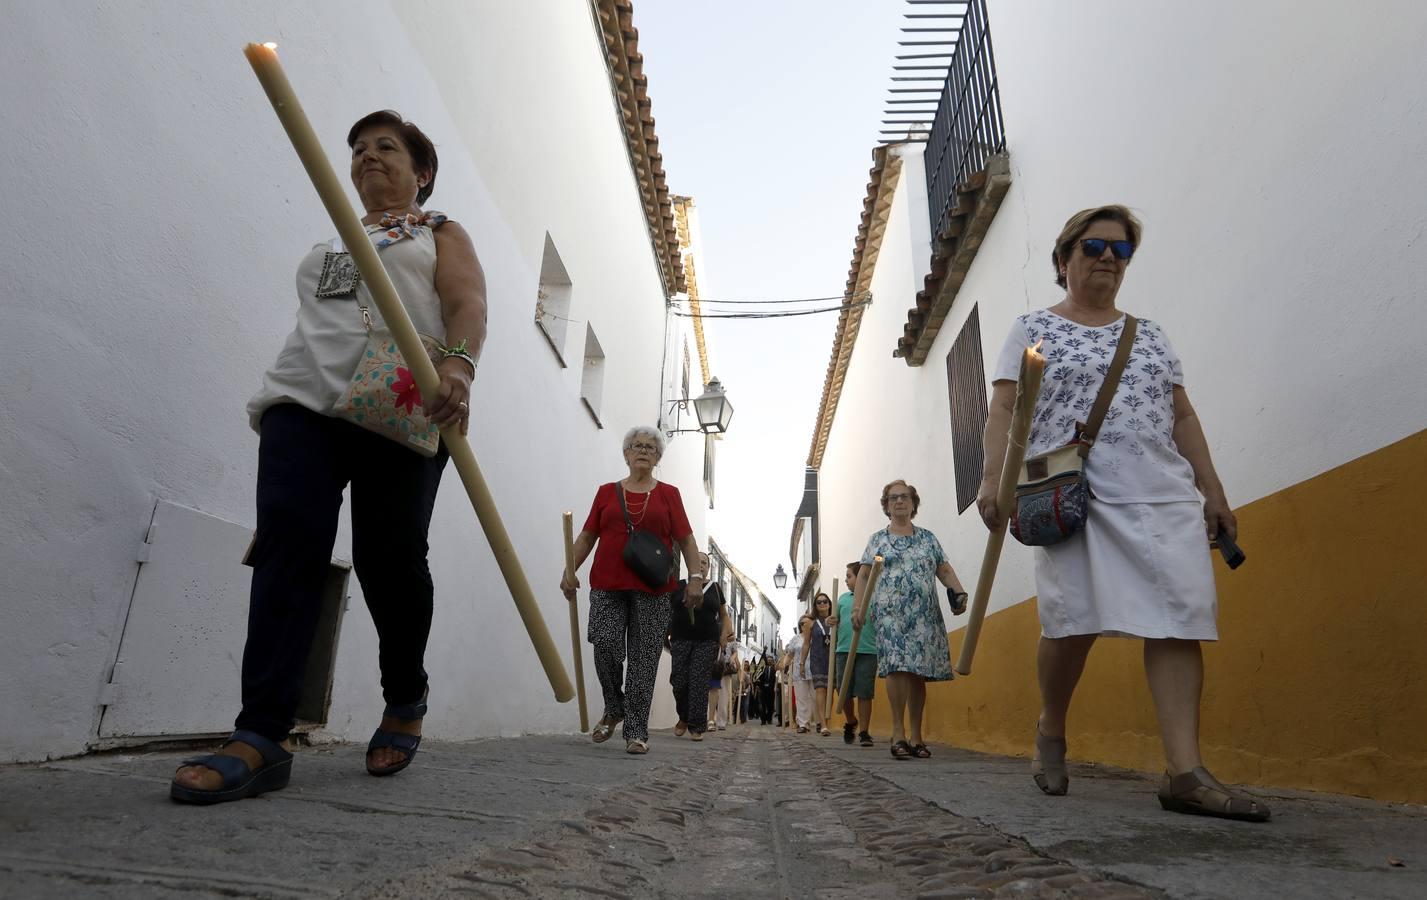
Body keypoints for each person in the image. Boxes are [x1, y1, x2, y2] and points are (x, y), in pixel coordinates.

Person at [170, 111, 486, 804]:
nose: (367, 156)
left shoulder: (438, 232)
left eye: (387, 148)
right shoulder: (334, 239)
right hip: (302, 398)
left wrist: (458, 371)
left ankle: (404, 695)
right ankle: (260, 735)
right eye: (358, 150)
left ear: (421, 172)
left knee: (388, 558)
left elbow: (466, 302)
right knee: (290, 544)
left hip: (397, 399)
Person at [977, 205, 1269, 821]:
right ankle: (1052, 727)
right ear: (1064, 259)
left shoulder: (1152, 334)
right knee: (1071, 622)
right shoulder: (1032, 327)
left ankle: (1184, 773)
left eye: (1122, 250)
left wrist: (1212, 490)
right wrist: (992, 482)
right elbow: (1002, 408)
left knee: (1179, 619)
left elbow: (1183, 415)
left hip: (1161, 490)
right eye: (1094, 246)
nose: (1109, 257)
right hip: (1072, 491)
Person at [562, 427, 702, 755]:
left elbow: (686, 539)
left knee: (643, 658)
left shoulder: (669, 494)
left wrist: (695, 577)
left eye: (651, 447)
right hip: (607, 584)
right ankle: (614, 707)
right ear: (625, 454)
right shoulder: (606, 493)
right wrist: (569, 571)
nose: (643, 450)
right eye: (636, 446)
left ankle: (636, 731)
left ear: (657, 458)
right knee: (605, 644)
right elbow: (586, 536)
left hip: (653, 588)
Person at [855, 480, 968, 760]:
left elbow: (943, 569)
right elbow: (865, 575)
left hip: (924, 614)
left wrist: (958, 591)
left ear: (913, 502)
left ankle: (916, 736)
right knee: (896, 667)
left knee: (918, 672)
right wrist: (859, 606)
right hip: (890, 614)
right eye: (893, 498)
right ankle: (898, 733)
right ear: (886, 505)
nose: (899, 502)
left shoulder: (928, 539)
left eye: (904, 497)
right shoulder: (878, 540)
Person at [668, 552, 724, 742]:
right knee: (679, 681)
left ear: (708, 567)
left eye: (704, 563)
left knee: (699, 682)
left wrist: (725, 634)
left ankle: (696, 725)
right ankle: (683, 716)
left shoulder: (715, 588)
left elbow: (724, 615)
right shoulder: (678, 586)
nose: (700, 565)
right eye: (697, 561)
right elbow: (669, 610)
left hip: (707, 640)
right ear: (688, 563)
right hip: (680, 638)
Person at [829, 561, 878, 747]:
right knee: (843, 691)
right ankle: (851, 721)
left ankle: (865, 731)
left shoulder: (874, 598)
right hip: (843, 650)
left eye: (849, 576)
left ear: (862, 576)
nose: (846, 580)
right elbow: (836, 620)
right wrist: (831, 620)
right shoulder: (842, 599)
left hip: (867, 650)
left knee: (865, 692)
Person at [807, 592, 834, 736]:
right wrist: (800, 664)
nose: (822, 604)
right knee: (820, 690)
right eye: (819, 602)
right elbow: (806, 644)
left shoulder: (835, 620)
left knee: (830, 693)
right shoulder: (811, 624)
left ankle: (826, 721)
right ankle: (823, 724)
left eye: (824, 601)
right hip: (817, 659)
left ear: (829, 604)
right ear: (815, 606)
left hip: (832, 659)